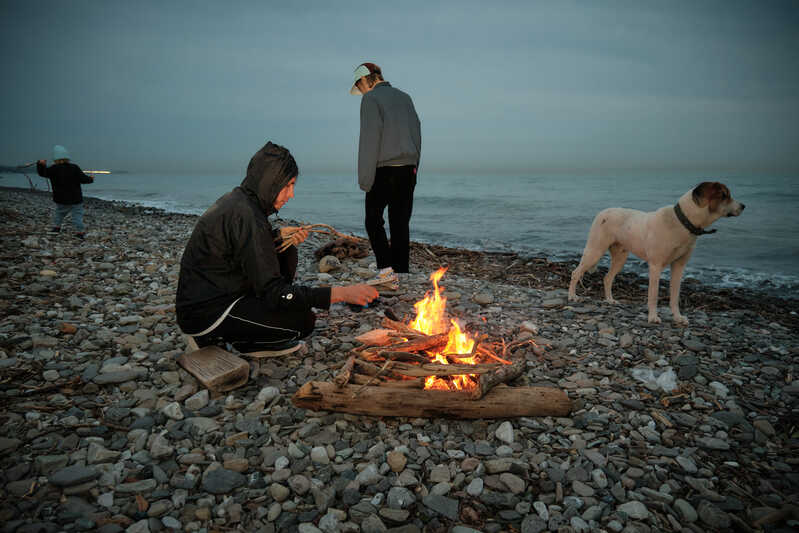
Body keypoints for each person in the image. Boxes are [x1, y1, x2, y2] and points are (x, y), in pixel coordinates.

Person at [176, 141, 378, 355]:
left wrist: (276, 238)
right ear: (270, 182)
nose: (291, 195)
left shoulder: (241, 203)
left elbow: (241, 255)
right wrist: (341, 293)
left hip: (218, 295)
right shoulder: (247, 215)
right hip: (206, 314)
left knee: (287, 251)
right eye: (288, 185)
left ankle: (243, 333)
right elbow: (274, 293)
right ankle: (233, 341)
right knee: (302, 321)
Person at [350, 62, 421, 275]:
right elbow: (417, 134)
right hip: (408, 169)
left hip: (384, 169)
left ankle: (386, 268)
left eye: (360, 86)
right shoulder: (405, 97)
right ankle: (401, 271)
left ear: (364, 79)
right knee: (400, 223)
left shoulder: (370, 99)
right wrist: (415, 167)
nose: (361, 91)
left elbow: (370, 140)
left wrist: (365, 179)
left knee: (373, 221)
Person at [36, 145, 94, 238]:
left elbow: (43, 173)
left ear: (55, 158)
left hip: (60, 198)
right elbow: (83, 179)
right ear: (67, 157)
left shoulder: (53, 169)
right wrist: (91, 179)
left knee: (59, 213)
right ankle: (80, 232)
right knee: (77, 215)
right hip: (75, 198)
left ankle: (56, 228)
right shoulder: (74, 167)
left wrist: (40, 165)